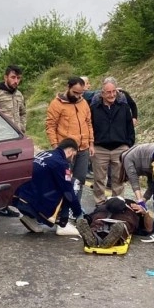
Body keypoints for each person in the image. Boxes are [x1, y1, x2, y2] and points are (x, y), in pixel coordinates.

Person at [45, 77, 93, 221]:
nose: (78, 96)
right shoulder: (56, 104)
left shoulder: (84, 103)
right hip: (65, 151)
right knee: (64, 182)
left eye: (81, 93)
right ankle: (59, 213)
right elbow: (50, 126)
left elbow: (89, 123)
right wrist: (56, 147)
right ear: (68, 87)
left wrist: (91, 143)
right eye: (76, 92)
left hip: (83, 149)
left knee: (78, 182)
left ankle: (74, 211)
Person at [12, 138, 82, 236]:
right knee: (73, 184)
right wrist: (78, 212)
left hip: (20, 196)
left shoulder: (44, 153)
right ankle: (63, 224)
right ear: (70, 151)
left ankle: (30, 218)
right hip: (37, 201)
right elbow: (68, 191)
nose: (73, 158)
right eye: (74, 154)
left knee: (54, 183)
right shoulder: (61, 163)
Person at [89, 77, 135, 205]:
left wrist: (128, 144)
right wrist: (91, 144)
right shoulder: (94, 108)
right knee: (99, 179)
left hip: (120, 148)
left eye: (114, 91)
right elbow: (89, 127)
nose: (112, 94)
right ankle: (100, 204)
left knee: (118, 179)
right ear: (102, 93)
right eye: (108, 92)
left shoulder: (124, 107)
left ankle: (118, 203)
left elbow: (130, 127)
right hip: (100, 148)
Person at [75, 196, 153, 248]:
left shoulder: (133, 205)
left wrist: (144, 213)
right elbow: (149, 229)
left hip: (122, 215)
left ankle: (94, 236)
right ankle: (97, 238)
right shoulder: (103, 205)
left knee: (100, 223)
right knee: (100, 221)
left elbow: (149, 228)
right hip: (107, 213)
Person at [0, 65, 26, 132]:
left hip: (18, 135)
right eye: (13, 77)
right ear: (6, 77)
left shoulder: (19, 95)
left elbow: (23, 113)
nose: (16, 81)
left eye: (18, 78)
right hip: (2, 137)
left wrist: (22, 127)